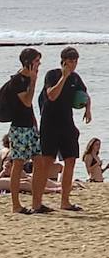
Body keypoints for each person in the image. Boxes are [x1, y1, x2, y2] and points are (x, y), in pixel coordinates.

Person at [32, 46, 92, 213]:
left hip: (67, 123)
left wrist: (88, 108)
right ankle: (37, 203)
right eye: (70, 61)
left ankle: (65, 201)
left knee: (70, 160)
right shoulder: (53, 74)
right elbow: (51, 95)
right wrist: (64, 77)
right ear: (63, 61)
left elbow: (84, 94)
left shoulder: (76, 78)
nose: (73, 64)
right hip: (50, 123)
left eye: (75, 61)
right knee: (46, 163)